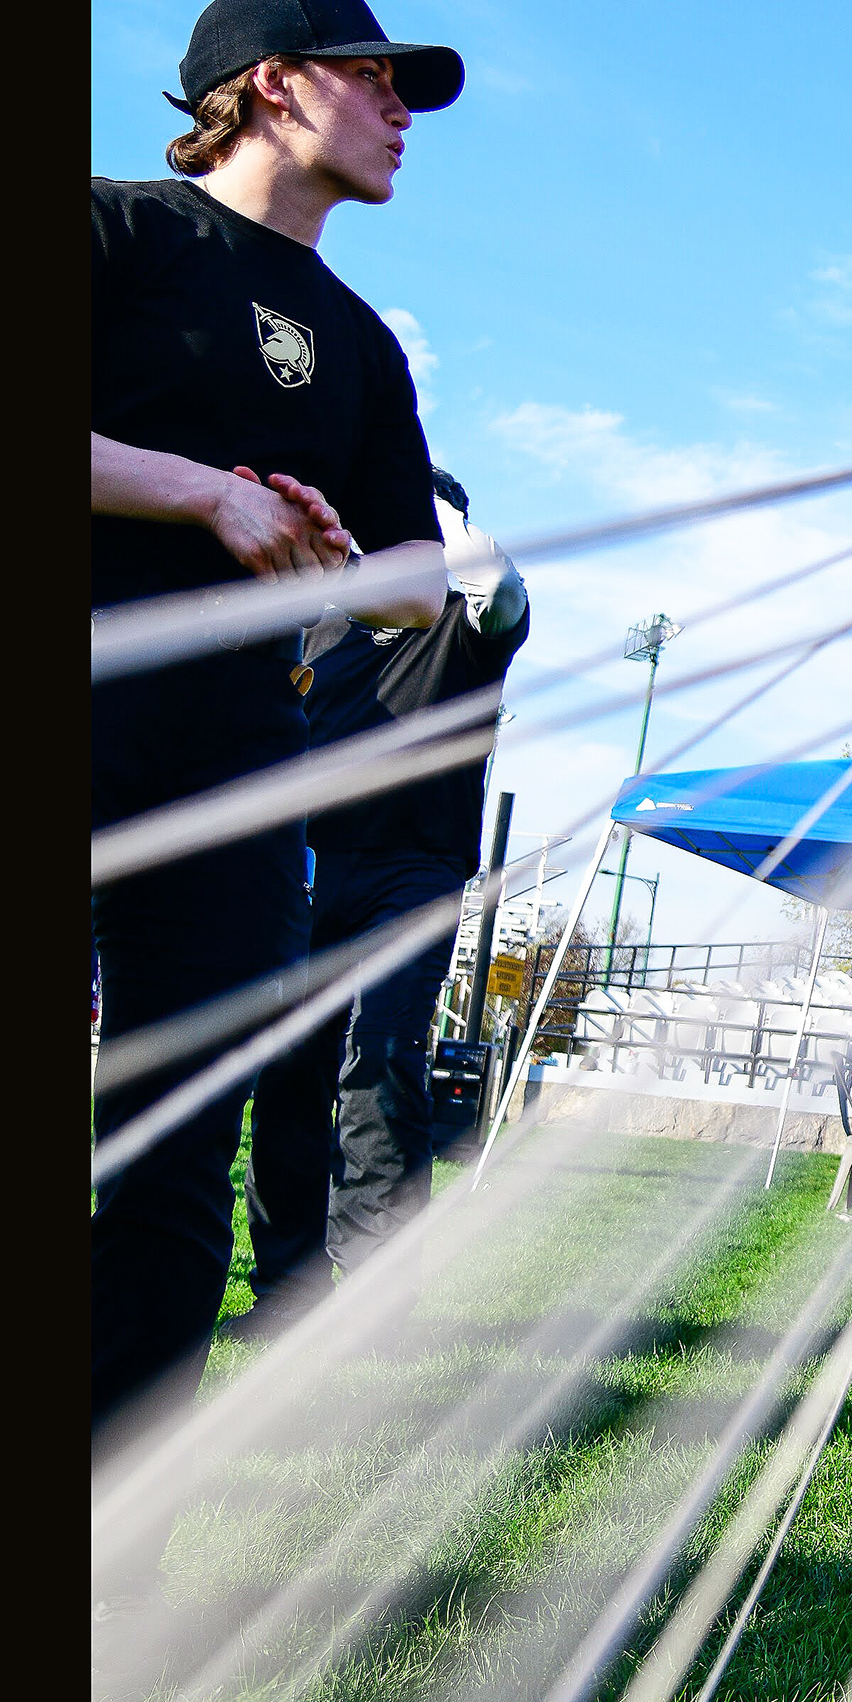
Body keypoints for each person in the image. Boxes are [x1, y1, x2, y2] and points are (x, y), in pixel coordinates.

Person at [90, 0, 459, 1435]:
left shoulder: (360, 342)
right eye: (378, 80)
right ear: (272, 83)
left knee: (176, 1162)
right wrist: (205, 498)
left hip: (237, 763)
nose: (402, 116)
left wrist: (326, 553)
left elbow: (420, 585)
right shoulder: (119, 230)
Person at [238, 471, 532, 1334]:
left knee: (382, 1055)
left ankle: (374, 1292)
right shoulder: (320, 623)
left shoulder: (472, 623)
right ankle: (286, 1291)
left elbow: (496, 581)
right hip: (310, 864)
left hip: (414, 869)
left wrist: (415, 497)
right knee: (290, 1073)